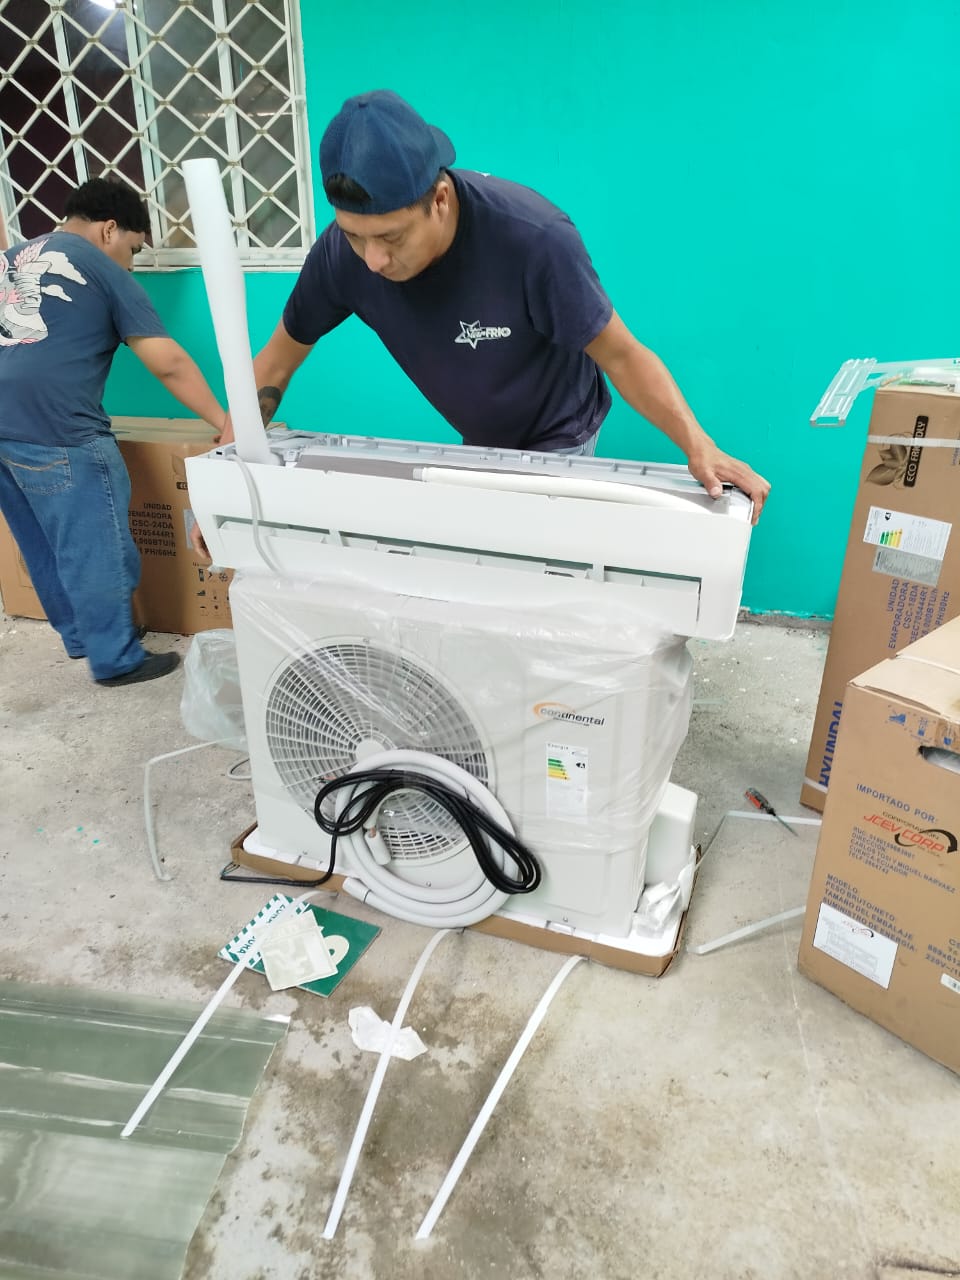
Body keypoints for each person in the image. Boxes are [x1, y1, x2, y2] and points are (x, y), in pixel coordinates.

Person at [219, 89, 769, 521]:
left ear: (439, 199)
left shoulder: (533, 240)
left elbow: (623, 356)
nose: (374, 261)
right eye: (355, 236)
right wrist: (222, 486)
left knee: (538, 571)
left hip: (559, 431)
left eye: (390, 237)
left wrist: (699, 445)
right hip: (480, 440)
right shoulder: (343, 255)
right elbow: (274, 364)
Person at [0, 177, 226, 685]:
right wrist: (225, 422)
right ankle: (115, 658)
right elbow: (167, 363)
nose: (132, 264)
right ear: (109, 230)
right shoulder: (101, 268)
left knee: (41, 541)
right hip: (58, 427)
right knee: (96, 545)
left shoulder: (11, 259)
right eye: (134, 249)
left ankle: (81, 636)